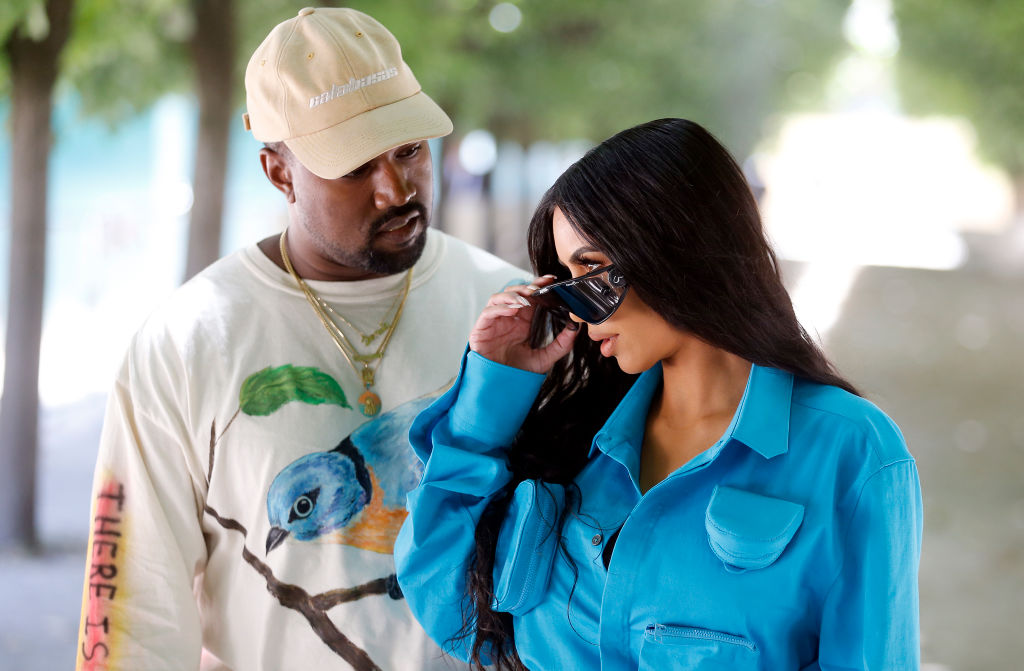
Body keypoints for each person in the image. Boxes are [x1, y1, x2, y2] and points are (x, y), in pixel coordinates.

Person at [76, 7, 526, 671]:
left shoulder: (515, 311)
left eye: (409, 150)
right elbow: (134, 618)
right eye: (353, 167)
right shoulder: (187, 342)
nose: (395, 188)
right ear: (277, 172)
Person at [394, 118, 923, 670]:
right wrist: (493, 384)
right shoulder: (576, 444)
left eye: (593, 270)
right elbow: (444, 597)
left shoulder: (851, 453)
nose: (578, 306)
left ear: (677, 248)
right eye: (567, 282)